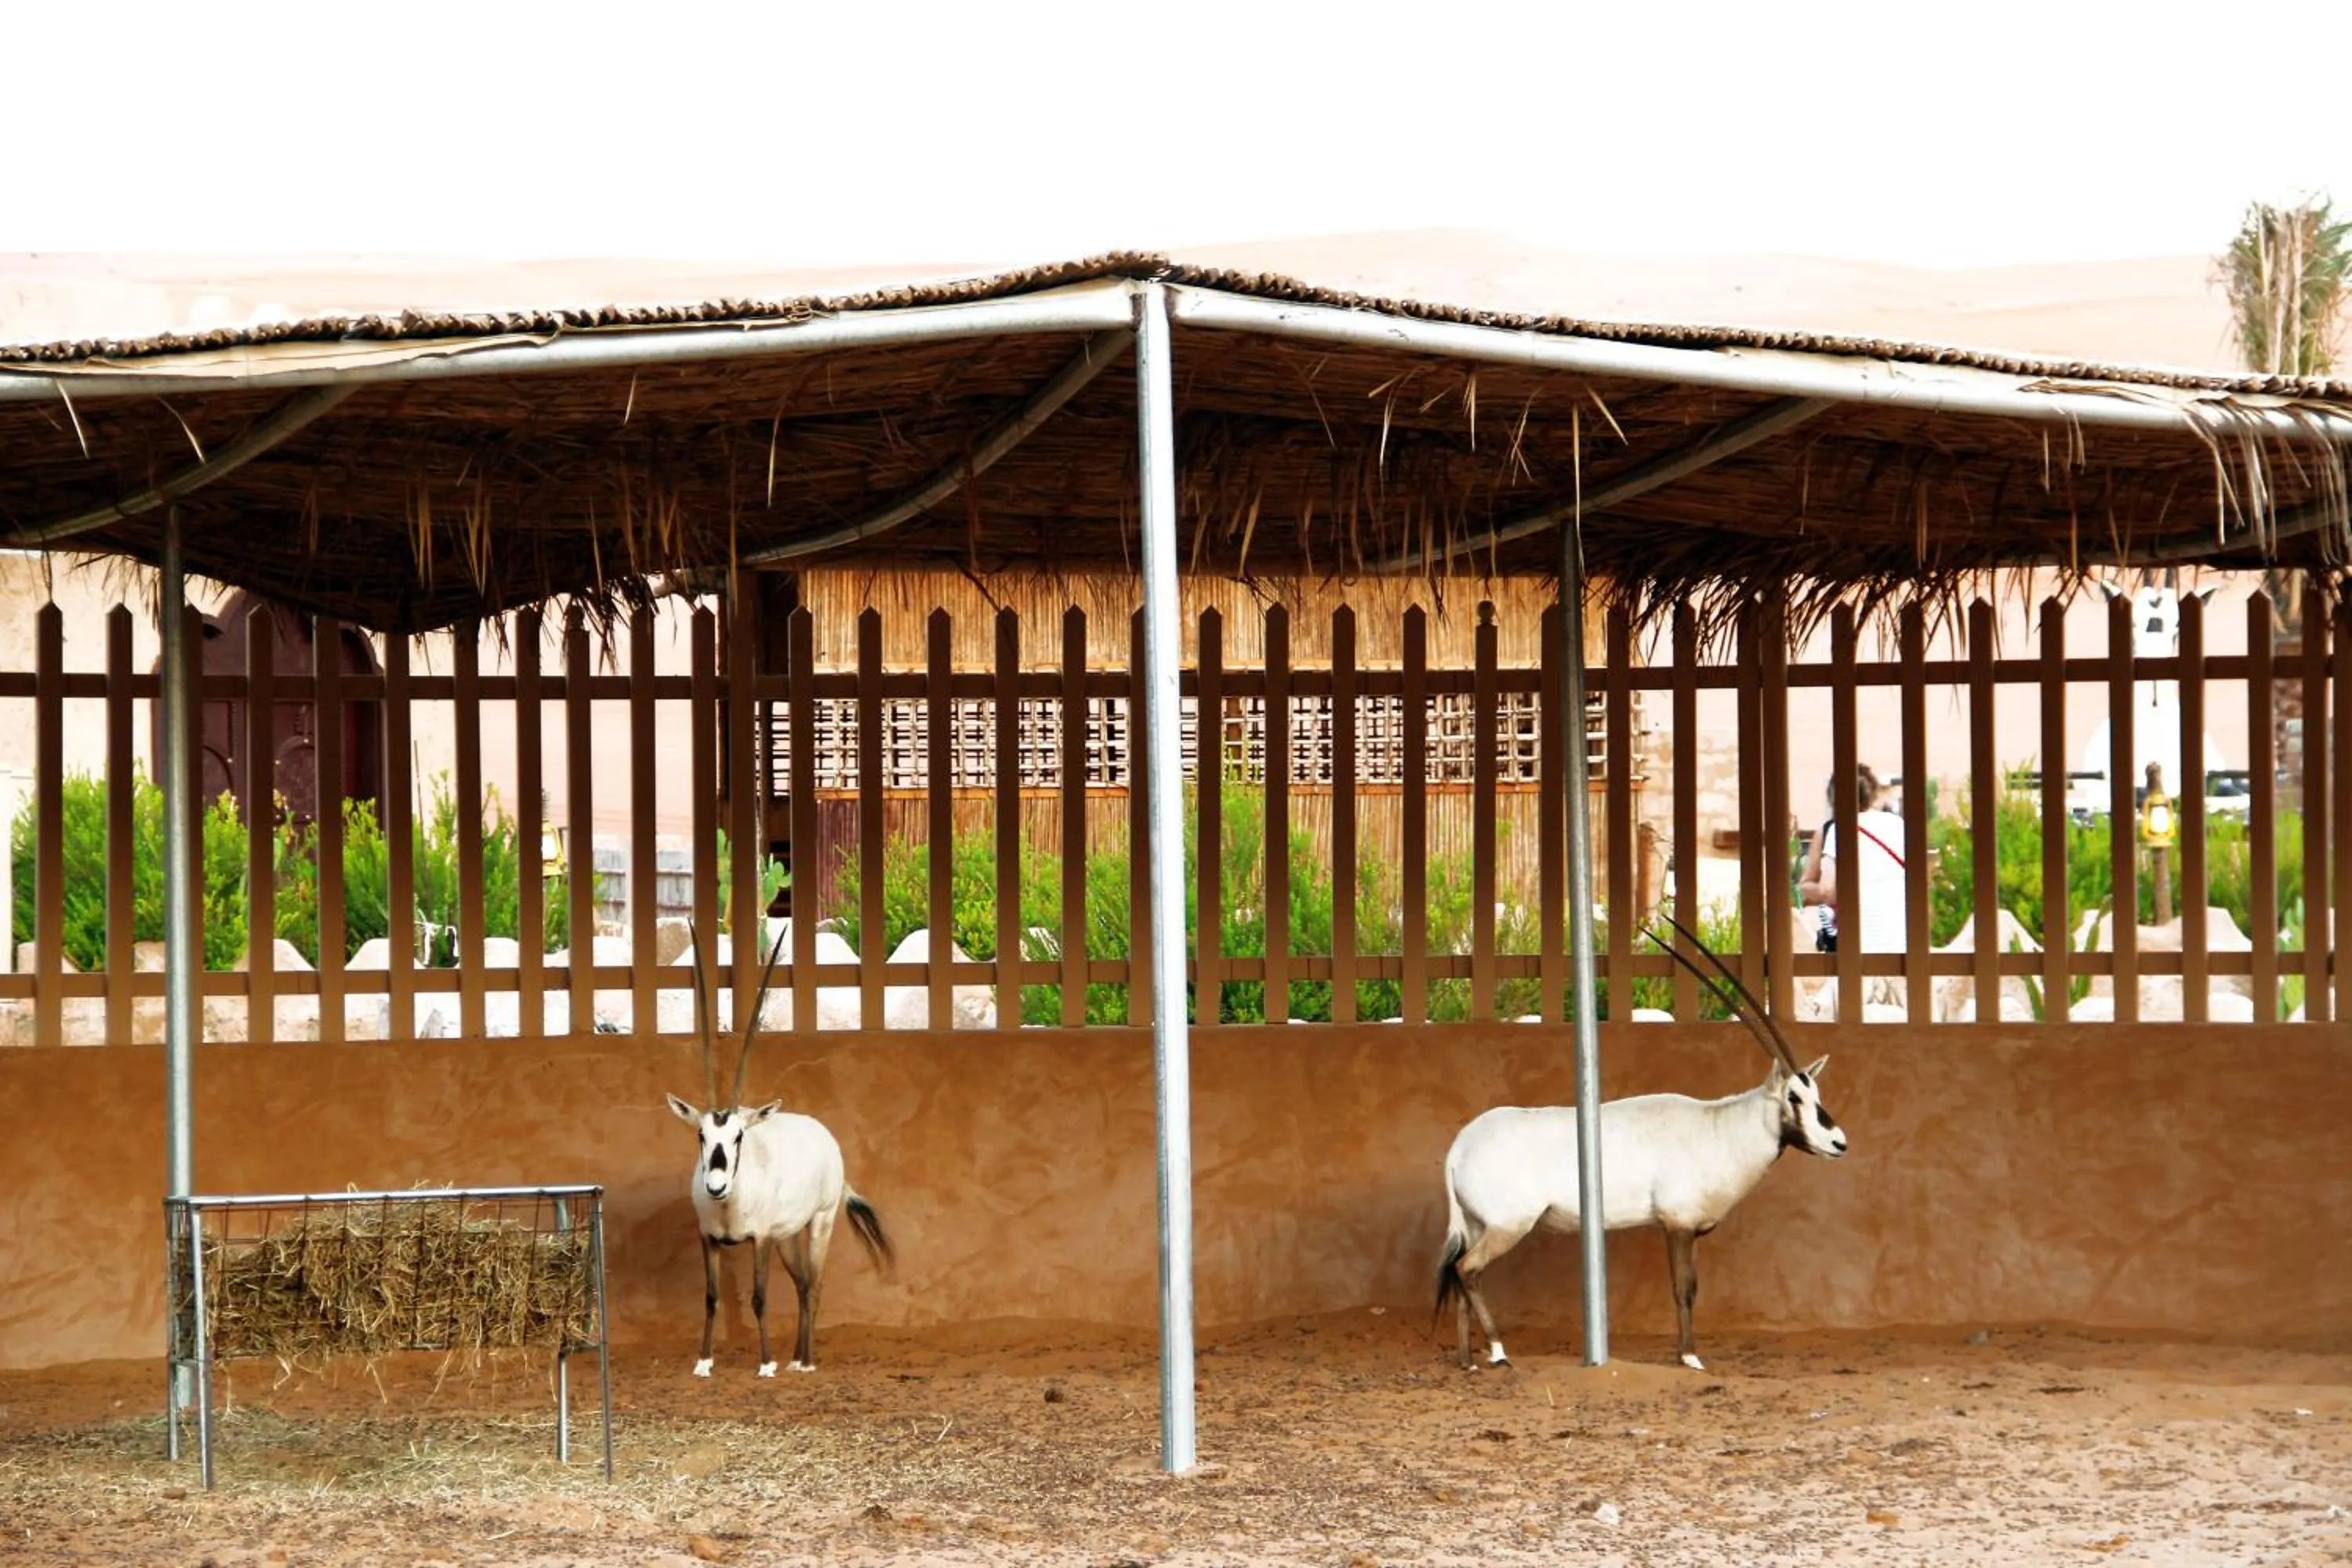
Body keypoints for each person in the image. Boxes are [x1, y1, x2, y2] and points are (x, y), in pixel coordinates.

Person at [1797, 764, 1907, 1009]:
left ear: (1832, 798)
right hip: (1901, 946)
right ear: (1873, 793)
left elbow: (1827, 891)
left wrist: (1804, 888)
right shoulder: (1898, 825)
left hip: (1861, 947)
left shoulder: (1839, 829)